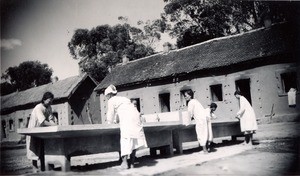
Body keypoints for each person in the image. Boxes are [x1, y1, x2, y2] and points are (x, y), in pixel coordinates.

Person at [105, 85, 147, 169]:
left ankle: (124, 163)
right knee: (134, 140)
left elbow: (110, 115)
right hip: (136, 117)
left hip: (128, 119)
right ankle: (132, 163)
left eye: (106, 96)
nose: (107, 98)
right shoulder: (123, 99)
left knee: (125, 139)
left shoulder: (111, 100)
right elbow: (119, 114)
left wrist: (109, 124)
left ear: (109, 95)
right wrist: (115, 121)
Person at [26, 91, 57, 172]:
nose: (50, 102)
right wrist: (53, 125)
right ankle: (34, 167)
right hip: (34, 129)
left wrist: (55, 125)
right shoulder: (38, 107)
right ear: (44, 99)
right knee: (34, 148)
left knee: (43, 148)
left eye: (51, 100)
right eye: (49, 100)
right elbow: (43, 121)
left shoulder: (49, 107)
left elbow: (51, 119)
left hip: (43, 130)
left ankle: (44, 167)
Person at [184, 89, 209, 154]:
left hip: (199, 120)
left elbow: (190, 113)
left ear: (190, 96)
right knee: (204, 133)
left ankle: (205, 150)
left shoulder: (190, 102)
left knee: (200, 133)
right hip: (203, 119)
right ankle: (206, 149)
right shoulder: (196, 101)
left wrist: (187, 121)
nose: (185, 97)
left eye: (186, 95)